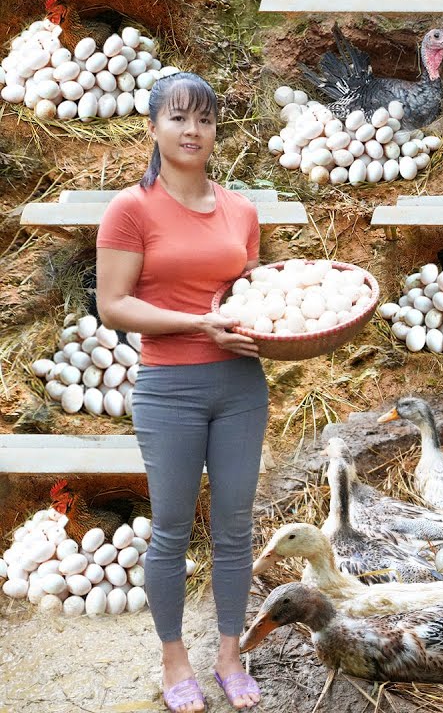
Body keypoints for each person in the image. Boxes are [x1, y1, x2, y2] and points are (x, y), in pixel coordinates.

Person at [96, 72, 266, 712]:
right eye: (178, 118)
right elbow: (113, 306)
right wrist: (198, 325)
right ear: (154, 127)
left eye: (204, 119)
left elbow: (250, 296)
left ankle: (229, 653)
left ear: (216, 130)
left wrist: (265, 331)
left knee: (233, 527)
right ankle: (174, 660)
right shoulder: (130, 209)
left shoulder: (241, 210)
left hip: (241, 386)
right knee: (169, 528)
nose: (192, 130)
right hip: (169, 387)